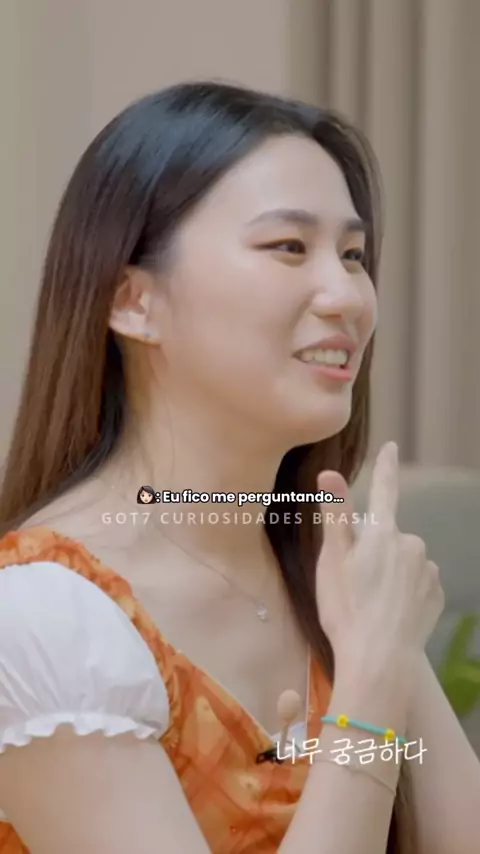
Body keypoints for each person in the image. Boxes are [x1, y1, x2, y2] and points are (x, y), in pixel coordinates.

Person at [0, 82, 477, 854]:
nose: (347, 296)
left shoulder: (332, 572)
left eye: (353, 256)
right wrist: (368, 691)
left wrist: (380, 652)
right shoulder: (44, 617)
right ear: (133, 301)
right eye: (288, 247)